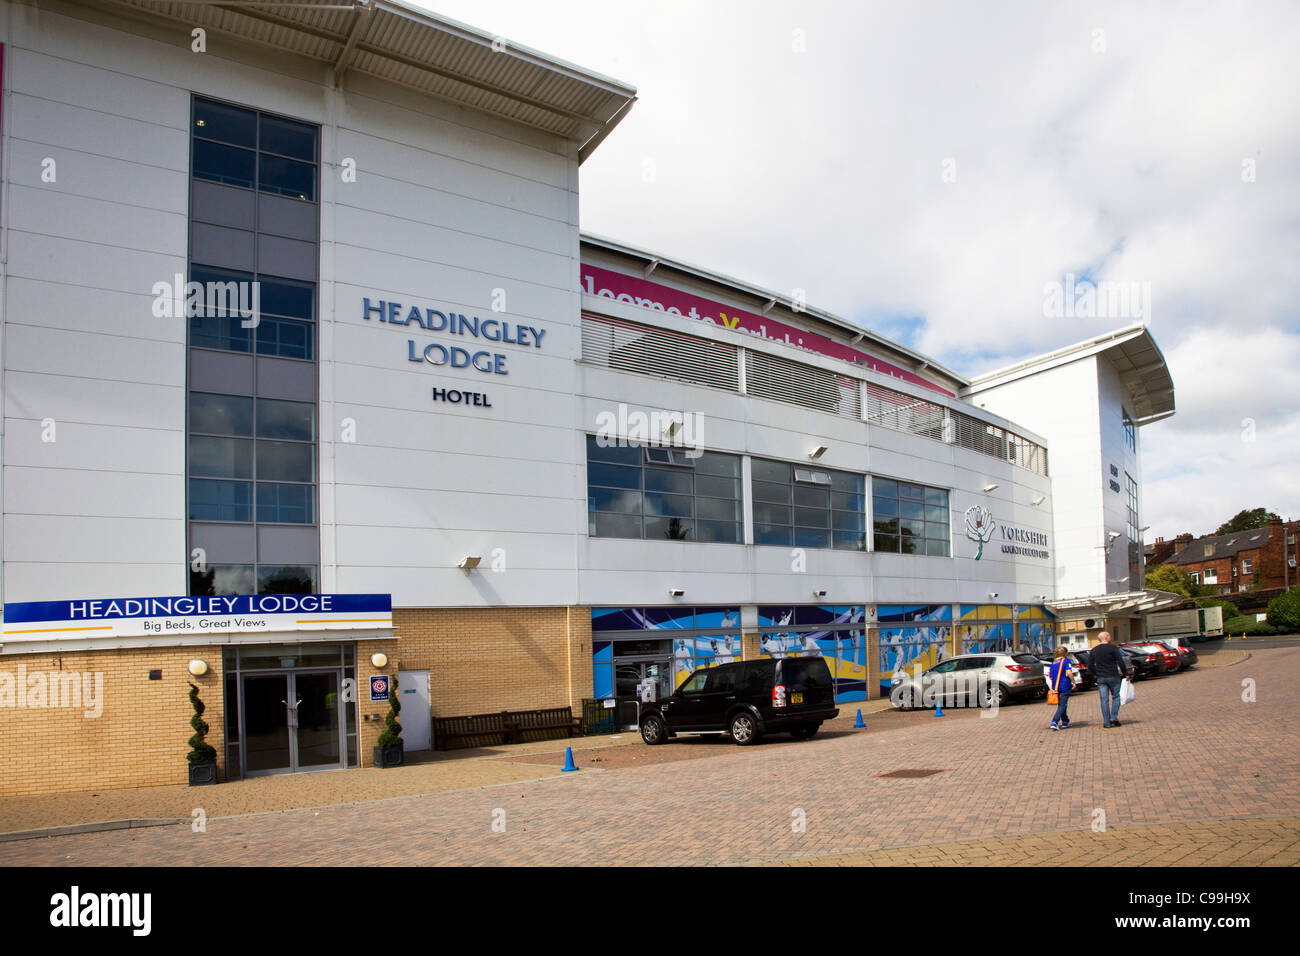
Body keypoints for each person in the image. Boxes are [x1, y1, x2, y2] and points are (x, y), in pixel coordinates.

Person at [1089, 630, 1133, 728]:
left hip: (1101, 677)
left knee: (1104, 700)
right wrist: (1126, 673)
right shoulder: (1113, 648)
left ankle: (1106, 722)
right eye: (1109, 636)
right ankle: (1113, 717)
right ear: (1106, 637)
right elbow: (1120, 661)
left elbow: (1090, 665)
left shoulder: (1094, 650)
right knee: (1116, 697)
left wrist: (1095, 673)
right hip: (1113, 675)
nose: (1110, 637)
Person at [1046, 646, 1074, 730]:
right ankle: (1054, 722)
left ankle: (1065, 721)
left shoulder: (1053, 664)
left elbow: (1051, 677)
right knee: (1062, 705)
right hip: (1065, 685)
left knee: (1061, 704)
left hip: (1056, 687)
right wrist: (1073, 682)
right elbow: (1069, 672)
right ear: (1065, 653)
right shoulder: (1066, 661)